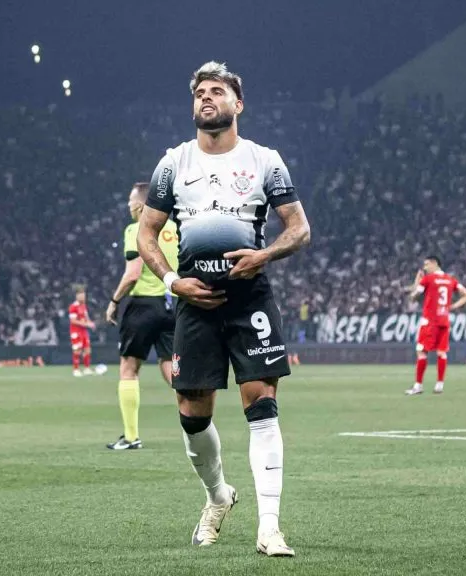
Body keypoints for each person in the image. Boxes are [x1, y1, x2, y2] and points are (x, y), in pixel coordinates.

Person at [137, 61, 310, 557]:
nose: (205, 99)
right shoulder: (174, 163)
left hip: (248, 299)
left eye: (216, 91)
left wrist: (264, 254)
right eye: (199, 93)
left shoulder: (263, 161)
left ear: (238, 104)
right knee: (192, 412)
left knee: (261, 404)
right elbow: (147, 232)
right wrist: (173, 282)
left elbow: (299, 229)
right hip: (194, 302)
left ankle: (270, 527)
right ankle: (218, 496)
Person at [104, 182, 179, 451]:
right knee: (170, 366)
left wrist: (114, 301)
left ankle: (131, 436)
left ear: (139, 205)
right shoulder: (174, 229)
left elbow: (134, 272)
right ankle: (197, 421)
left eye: (129, 204)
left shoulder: (136, 229)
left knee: (128, 368)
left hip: (143, 305)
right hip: (173, 303)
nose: (128, 209)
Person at [406, 256, 466, 395]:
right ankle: (439, 385)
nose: (424, 268)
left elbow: (413, 296)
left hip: (430, 321)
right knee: (441, 352)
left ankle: (418, 386)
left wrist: (417, 280)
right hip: (444, 320)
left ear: (434, 263)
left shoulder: (428, 279)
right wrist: (453, 306)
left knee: (421, 352)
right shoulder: (450, 279)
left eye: (426, 265)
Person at [68, 286, 96, 377]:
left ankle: (87, 368)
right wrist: (86, 324)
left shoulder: (83, 306)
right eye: (81, 295)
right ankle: (76, 370)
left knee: (87, 350)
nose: (83, 297)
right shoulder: (73, 307)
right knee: (77, 351)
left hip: (84, 332)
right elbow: (73, 321)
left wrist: (90, 323)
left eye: (84, 295)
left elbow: (86, 317)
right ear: (77, 296)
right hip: (76, 332)